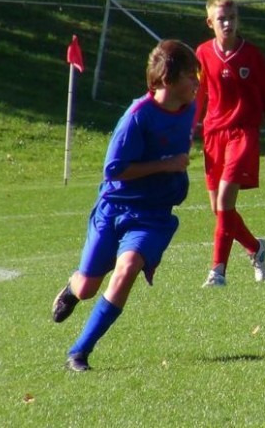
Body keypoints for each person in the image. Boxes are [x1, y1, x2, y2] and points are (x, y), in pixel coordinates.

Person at [51, 39, 200, 371]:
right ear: (167, 79)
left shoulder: (190, 108)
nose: (197, 82)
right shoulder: (137, 117)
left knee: (127, 267)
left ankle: (79, 352)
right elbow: (114, 170)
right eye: (191, 75)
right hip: (115, 209)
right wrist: (166, 165)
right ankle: (72, 288)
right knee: (87, 287)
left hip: (153, 216)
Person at [195, 0, 265, 288]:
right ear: (210, 22)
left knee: (224, 202)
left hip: (243, 133)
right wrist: (187, 130)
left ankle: (217, 272)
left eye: (232, 17)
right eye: (221, 19)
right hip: (213, 135)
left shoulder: (252, 55)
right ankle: (255, 248)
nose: (228, 23)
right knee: (219, 209)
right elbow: (199, 96)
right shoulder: (202, 53)